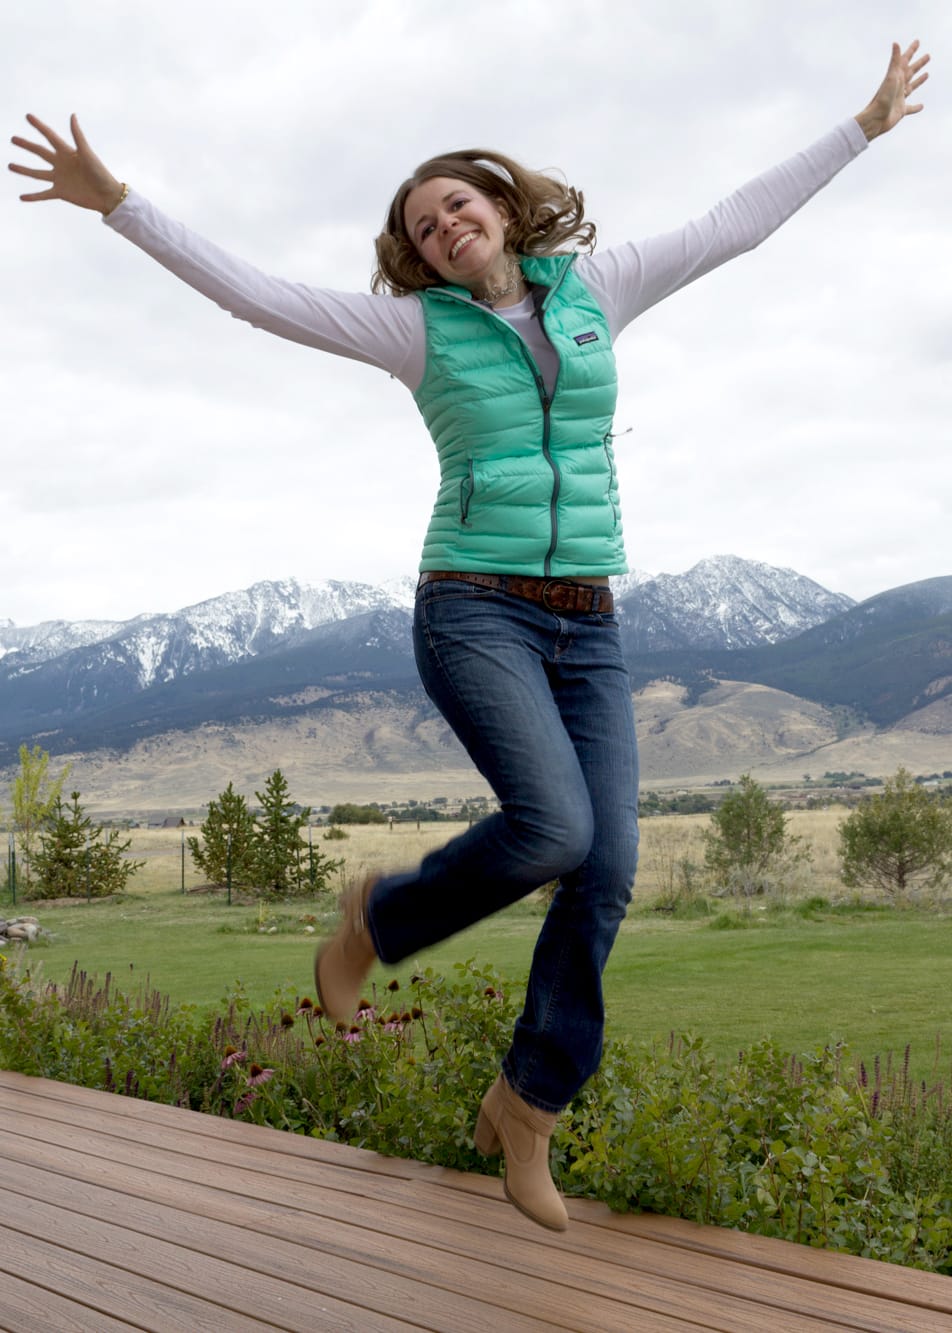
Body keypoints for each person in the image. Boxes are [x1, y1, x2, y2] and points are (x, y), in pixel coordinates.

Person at [9, 40, 929, 1233]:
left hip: (590, 620)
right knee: (552, 827)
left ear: (501, 204)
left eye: (459, 203)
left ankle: (527, 1104)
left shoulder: (601, 286)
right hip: (474, 607)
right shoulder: (415, 332)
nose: (446, 228)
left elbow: (735, 222)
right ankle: (374, 921)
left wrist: (861, 126)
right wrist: (120, 204)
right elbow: (253, 293)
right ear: (417, 253)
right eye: (424, 225)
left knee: (603, 874)